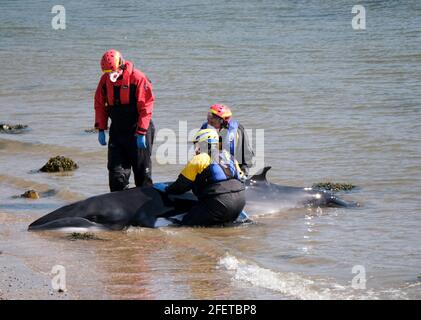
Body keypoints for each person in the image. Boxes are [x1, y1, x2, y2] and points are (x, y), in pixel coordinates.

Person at [154, 129, 246, 226]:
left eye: (197, 144)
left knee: (185, 225)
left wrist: (166, 189)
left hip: (219, 202)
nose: (196, 149)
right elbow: (241, 178)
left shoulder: (199, 158)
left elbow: (181, 186)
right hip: (240, 201)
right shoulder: (229, 157)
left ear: (205, 143)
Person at [94, 49, 155, 191]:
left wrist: (141, 132)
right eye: (107, 72)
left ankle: (147, 207)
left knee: (142, 176)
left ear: (120, 65)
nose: (110, 75)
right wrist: (101, 128)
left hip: (139, 130)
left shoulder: (137, 78)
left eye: (112, 71)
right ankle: (118, 206)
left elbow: (146, 106)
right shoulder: (104, 81)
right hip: (118, 132)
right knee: (116, 176)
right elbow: (99, 105)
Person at [200, 104, 254, 176]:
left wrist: (243, 173)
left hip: (232, 167)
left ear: (222, 121)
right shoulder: (205, 127)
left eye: (213, 118)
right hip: (211, 165)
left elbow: (246, 156)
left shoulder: (237, 130)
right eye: (209, 116)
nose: (209, 120)